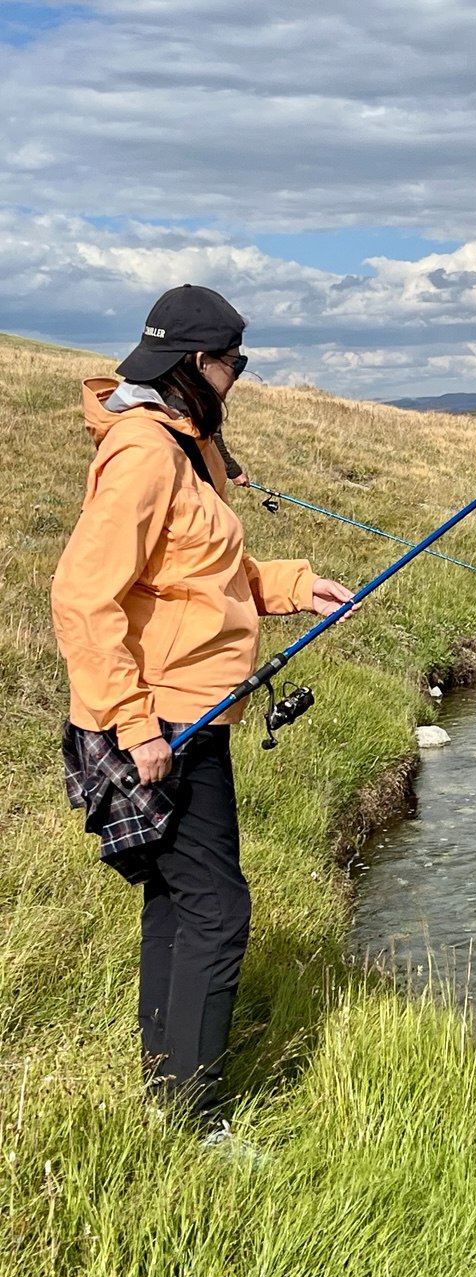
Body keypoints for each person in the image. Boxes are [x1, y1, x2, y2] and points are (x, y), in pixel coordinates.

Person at [51, 284, 357, 1133]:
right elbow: (80, 596)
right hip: (159, 722)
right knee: (219, 913)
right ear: (195, 363)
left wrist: (296, 587)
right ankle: (194, 1116)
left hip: (196, 714)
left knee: (179, 901)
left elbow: (203, 572)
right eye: (234, 361)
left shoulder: (189, 447)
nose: (238, 375)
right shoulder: (145, 455)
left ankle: (164, 1091)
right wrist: (133, 724)